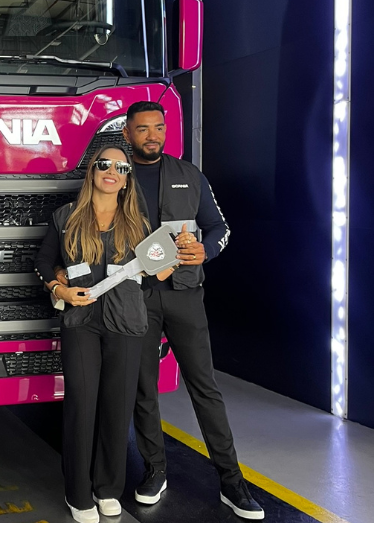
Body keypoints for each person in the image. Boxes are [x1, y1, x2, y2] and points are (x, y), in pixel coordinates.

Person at [120, 101, 264, 520]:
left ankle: (232, 481)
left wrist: (206, 250)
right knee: (144, 389)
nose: (152, 136)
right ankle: (155, 471)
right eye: (143, 129)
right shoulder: (116, 177)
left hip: (184, 294)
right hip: (136, 296)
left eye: (158, 128)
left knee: (204, 387)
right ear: (127, 134)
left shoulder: (190, 174)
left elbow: (220, 228)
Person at [35, 145, 177, 523]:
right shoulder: (65, 216)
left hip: (127, 323)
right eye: (104, 164)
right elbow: (44, 261)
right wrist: (59, 289)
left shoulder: (140, 223)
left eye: (120, 167)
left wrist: (167, 265)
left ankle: (107, 488)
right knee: (81, 405)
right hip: (80, 322)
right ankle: (78, 493)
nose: (111, 171)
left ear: (127, 178)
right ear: (93, 172)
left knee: (117, 408)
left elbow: (155, 274)